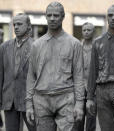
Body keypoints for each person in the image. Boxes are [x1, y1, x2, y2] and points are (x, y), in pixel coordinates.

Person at [26, 2, 85, 131]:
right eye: (49, 15)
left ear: (63, 17)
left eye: (56, 15)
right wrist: (29, 104)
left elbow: (79, 76)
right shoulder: (36, 45)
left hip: (66, 98)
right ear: (45, 17)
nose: (52, 18)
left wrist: (80, 104)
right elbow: (31, 77)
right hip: (41, 99)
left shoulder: (74, 44)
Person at [0, 13, 36, 131]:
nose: (16, 27)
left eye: (19, 24)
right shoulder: (4, 47)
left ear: (28, 26)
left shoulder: (36, 46)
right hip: (9, 99)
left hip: (30, 100)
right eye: (14, 24)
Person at [74, 22, 96, 131]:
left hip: (93, 87)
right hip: (79, 86)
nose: (86, 32)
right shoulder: (77, 46)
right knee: (78, 118)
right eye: (84, 30)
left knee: (91, 118)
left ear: (94, 32)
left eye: (89, 30)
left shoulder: (97, 47)